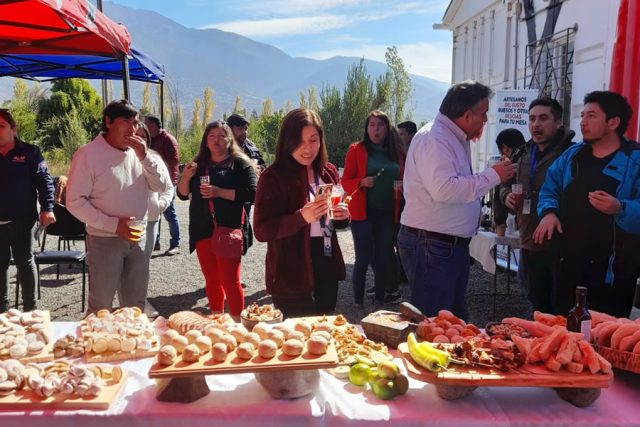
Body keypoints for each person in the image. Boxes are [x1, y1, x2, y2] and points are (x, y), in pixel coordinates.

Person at [397, 81, 517, 320]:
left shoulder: (450, 136)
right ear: (467, 114)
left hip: (440, 246)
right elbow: (444, 189)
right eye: (483, 113)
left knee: (450, 323)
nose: (485, 120)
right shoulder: (436, 139)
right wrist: (493, 175)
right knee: (434, 326)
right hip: (433, 246)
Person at [534, 91, 640, 317]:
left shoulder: (635, 160)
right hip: (569, 265)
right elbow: (549, 188)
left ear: (613, 122)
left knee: (606, 338)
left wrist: (620, 208)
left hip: (613, 272)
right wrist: (549, 213)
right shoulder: (572, 155)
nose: (582, 122)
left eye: (591, 116)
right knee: (563, 329)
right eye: (582, 116)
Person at [67, 100, 171, 314]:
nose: (133, 129)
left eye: (135, 123)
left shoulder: (139, 152)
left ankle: (133, 346)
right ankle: (97, 345)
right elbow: (75, 202)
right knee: (101, 307)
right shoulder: (88, 154)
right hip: (104, 240)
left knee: (135, 306)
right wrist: (114, 225)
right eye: (126, 122)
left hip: (138, 238)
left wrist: (144, 157)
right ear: (108, 121)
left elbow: (160, 186)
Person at [253, 108, 350, 318]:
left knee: (324, 331)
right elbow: (261, 230)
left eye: (313, 140)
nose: (308, 148)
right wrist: (300, 218)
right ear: (287, 141)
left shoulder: (328, 171)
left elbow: (333, 221)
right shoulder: (273, 177)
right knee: (294, 338)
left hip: (326, 263)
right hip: (290, 272)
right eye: (300, 141)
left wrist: (342, 216)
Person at [500, 99, 574, 314]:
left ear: (558, 122)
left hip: (561, 245)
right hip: (529, 241)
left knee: (561, 310)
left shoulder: (571, 154)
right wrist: (506, 197)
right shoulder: (522, 153)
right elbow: (504, 182)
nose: (536, 125)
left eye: (543, 118)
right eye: (532, 119)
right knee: (537, 307)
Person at [177, 121, 257, 320]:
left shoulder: (240, 163)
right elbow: (183, 195)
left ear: (230, 140)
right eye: (212, 136)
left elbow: (253, 193)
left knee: (230, 280)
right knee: (212, 280)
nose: (216, 140)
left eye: (222, 135)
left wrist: (219, 192)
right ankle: (217, 321)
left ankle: (238, 323)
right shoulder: (198, 164)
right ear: (205, 140)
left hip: (228, 229)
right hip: (202, 228)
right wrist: (185, 177)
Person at [341, 110, 404, 308]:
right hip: (363, 213)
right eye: (372, 125)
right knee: (362, 258)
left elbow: (405, 176)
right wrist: (361, 181)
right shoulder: (356, 149)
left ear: (387, 128)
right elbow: (345, 181)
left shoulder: (396, 152)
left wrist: (402, 185)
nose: (376, 129)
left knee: (384, 256)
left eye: (380, 125)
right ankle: (358, 302)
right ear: (366, 128)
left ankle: (379, 299)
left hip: (387, 212)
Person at [0, 109, 56, 312]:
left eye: (1, 126)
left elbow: (45, 182)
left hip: (23, 220)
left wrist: (47, 208)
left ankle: (31, 310)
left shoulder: (30, 152)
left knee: (25, 260)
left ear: (13, 129)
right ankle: (2, 312)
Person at [137, 124, 173, 318]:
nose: (139, 138)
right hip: (125, 221)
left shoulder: (155, 158)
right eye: (136, 135)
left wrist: (161, 204)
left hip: (150, 219)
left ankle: (141, 302)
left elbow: (168, 187)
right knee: (121, 265)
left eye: (143, 136)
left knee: (143, 263)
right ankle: (127, 303)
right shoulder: (119, 158)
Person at [144, 115, 181, 256]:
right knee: (153, 212)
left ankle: (175, 244)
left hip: (167, 183)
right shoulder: (150, 140)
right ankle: (155, 242)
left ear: (153, 125)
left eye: (147, 124)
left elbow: (173, 163)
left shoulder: (168, 140)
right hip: (153, 182)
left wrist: (166, 180)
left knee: (169, 214)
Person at [493, 128, 526, 228]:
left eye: (500, 153)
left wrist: (499, 221)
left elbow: (501, 185)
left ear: (505, 148)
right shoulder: (533, 157)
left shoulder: (512, 164)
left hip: (523, 222)